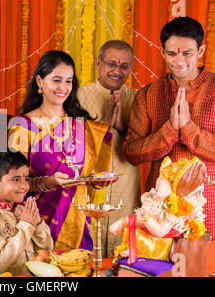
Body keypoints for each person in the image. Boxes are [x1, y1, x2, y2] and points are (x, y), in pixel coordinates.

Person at [123, 17, 215, 240]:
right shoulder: (148, 95)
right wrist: (170, 130)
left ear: (201, 49)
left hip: (208, 210)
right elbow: (132, 153)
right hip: (159, 212)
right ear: (163, 52)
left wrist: (189, 129)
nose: (179, 61)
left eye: (187, 53)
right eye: (172, 54)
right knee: (159, 272)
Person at [8, 50, 118, 252]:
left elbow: (87, 176)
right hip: (37, 224)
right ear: (40, 82)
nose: (63, 88)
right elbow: (13, 183)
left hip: (77, 223)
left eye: (68, 81)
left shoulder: (83, 127)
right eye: (57, 80)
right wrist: (47, 182)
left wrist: (96, 181)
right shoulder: (23, 127)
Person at [77, 40, 141, 258]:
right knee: (88, 245)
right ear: (98, 63)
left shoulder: (137, 98)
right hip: (91, 180)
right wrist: (102, 125)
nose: (117, 71)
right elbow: (71, 144)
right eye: (111, 64)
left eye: (124, 66)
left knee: (121, 245)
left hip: (126, 181)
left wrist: (123, 127)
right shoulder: (78, 96)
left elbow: (144, 143)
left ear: (131, 68)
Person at [110, 156, 207, 264]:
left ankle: (136, 251)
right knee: (136, 230)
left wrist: (145, 217)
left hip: (160, 245)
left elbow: (160, 232)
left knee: (141, 234)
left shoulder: (174, 210)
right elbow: (143, 220)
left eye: (161, 182)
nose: (157, 183)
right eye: (158, 180)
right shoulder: (161, 202)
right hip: (150, 236)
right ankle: (131, 248)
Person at [0, 151, 53, 276]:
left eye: (26, 179)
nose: (24, 186)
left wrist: (37, 224)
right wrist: (26, 225)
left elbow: (46, 251)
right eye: (16, 179)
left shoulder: (22, 211)